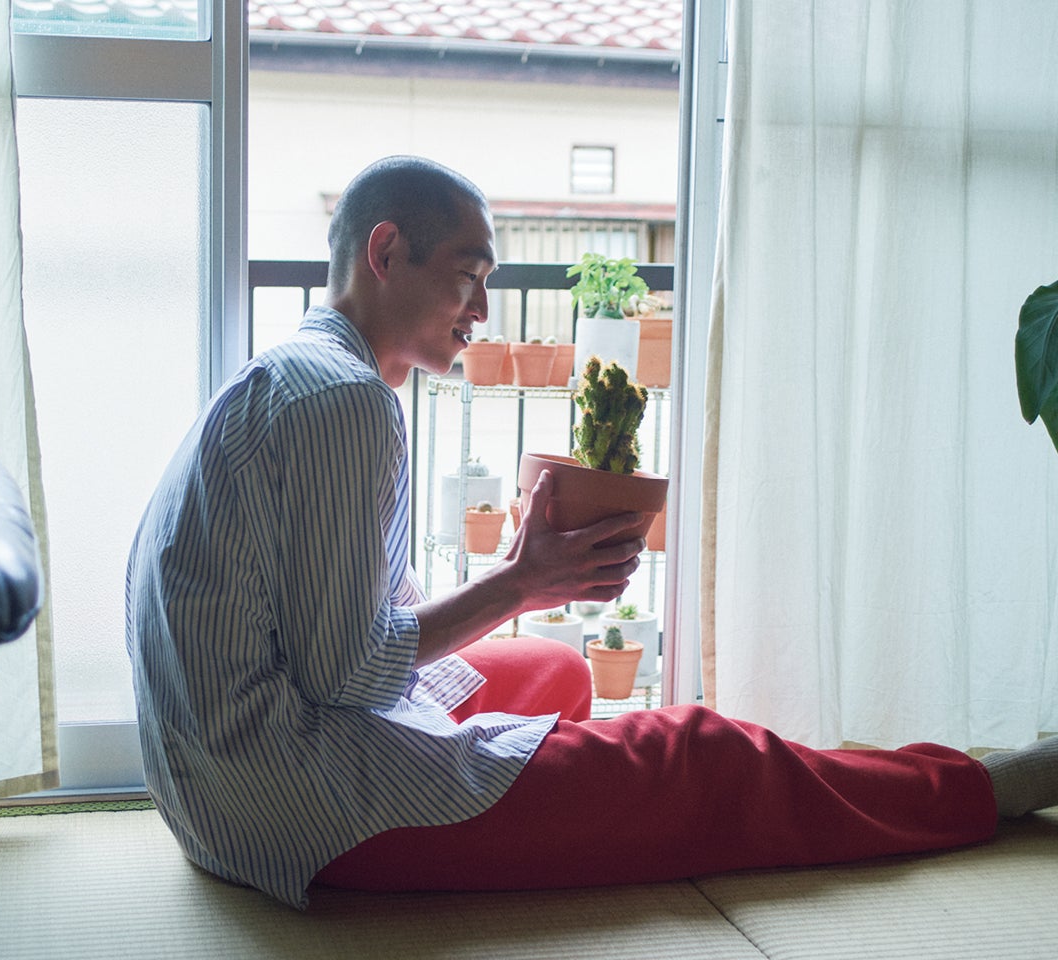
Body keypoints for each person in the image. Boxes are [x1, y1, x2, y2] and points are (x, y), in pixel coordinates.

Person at [126, 155, 1058, 910]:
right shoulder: (344, 403)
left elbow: (338, 630)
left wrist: (514, 575)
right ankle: (981, 790)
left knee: (558, 673)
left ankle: (565, 807)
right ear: (386, 250)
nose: (482, 310)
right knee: (703, 758)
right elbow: (344, 673)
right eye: (468, 276)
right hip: (296, 802)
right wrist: (520, 586)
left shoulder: (294, 373)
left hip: (215, 787)